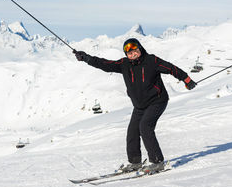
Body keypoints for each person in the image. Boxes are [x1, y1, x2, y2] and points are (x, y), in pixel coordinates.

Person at [73, 38, 196, 173]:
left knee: (145, 126)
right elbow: (104, 64)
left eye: (135, 51)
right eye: (129, 53)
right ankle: (135, 162)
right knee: (132, 131)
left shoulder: (151, 61)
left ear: (140, 49)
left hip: (157, 101)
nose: (133, 55)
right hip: (139, 106)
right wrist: (86, 58)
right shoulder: (124, 64)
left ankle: (157, 161)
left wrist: (186, 79)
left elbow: (171, 68)